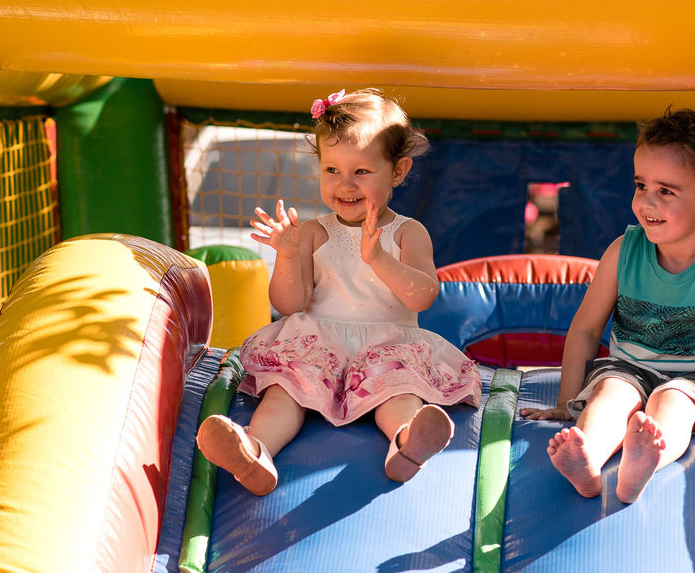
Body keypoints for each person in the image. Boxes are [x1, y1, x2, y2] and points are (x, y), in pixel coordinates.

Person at [196, 88, 481, 495]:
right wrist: (290, 256)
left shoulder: (407, 232)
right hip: (318, 343)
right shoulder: (313, 232)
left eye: (361, 172)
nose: (344, 184)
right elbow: (289, 304)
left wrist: (378, 257)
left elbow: (422, 297)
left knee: (399, 390)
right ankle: (256, 450)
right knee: (284, 394)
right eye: (332, 170)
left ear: (398, 171)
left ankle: (406, 442)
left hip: (387, 345)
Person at [520, 107, 695, 503]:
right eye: (641, 185)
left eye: (666, 191)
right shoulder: (623, 251)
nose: (647, 201)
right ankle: (587, 456)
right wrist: (565, 402)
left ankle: (647, 460)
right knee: (611, 390)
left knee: (673, 400)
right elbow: (587, 329)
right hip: (629, 366)